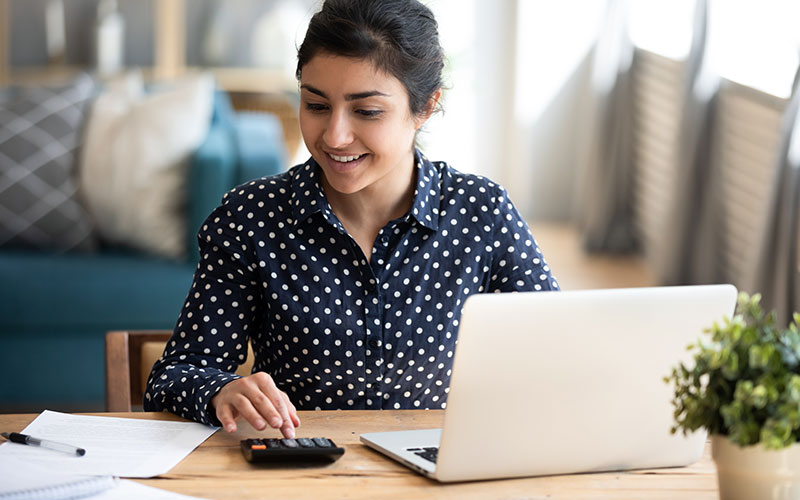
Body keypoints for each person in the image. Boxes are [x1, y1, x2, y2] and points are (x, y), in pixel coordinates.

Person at [144, 0, 558, 439]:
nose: (335, 136)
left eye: (367, 111)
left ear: (426, 107)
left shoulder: (483, 213)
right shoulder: (251, 218)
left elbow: (561, 350)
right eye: (316, 105)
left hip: (442, 471)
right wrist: (221, 390)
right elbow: (173, 377)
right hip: (302, 472)